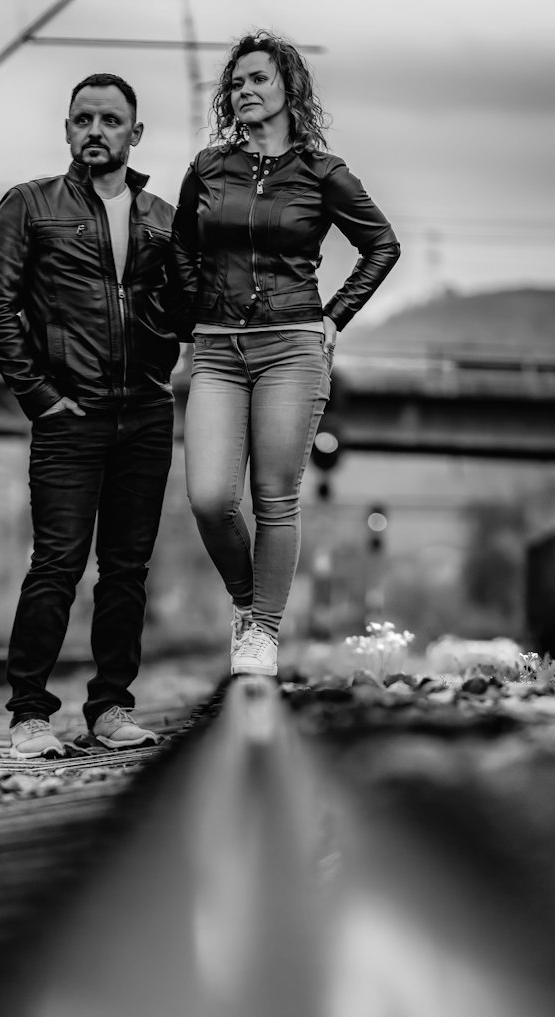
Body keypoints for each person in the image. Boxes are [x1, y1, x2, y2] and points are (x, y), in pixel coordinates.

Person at [171, 30, 400, 677]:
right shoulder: (209, 168)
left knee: (275, 498)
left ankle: (262, 633)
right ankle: (249, 606)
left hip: (292, 348)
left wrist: (335, 318)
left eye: (258, 80)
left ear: (289, 89)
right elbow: (184, 246)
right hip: (216, 351)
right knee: (212, 498)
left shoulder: (322, 173)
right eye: (237, 82)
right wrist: (193, 315)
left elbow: (381, 245)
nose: (244, 90)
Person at [0, 72, 180, 759]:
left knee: (126, 569)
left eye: (111, 120)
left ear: (135, 133)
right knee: (57, 563)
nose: (96, 130)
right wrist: (40, 398)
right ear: (67, 130)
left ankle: (111, 708)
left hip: (147, 413)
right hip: (70, 414)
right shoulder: (30, 206)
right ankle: (30, 715)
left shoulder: (162, 217)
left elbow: (184, 309)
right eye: (83, 119)